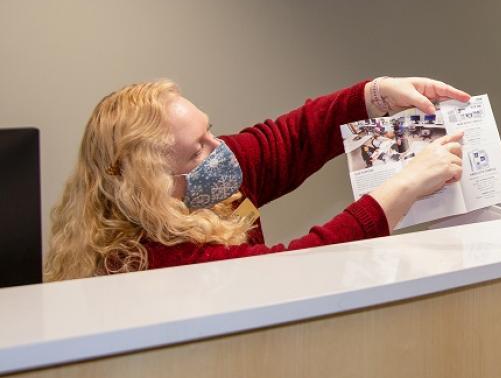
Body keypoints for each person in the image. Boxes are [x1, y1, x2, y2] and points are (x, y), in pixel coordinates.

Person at [44, 77, 468, 280]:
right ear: (150, 184)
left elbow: (290, 138)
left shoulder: (200, 181)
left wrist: (373, 95)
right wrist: (401, 188)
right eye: (197, 149)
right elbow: (293, 269)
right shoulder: (148, 260)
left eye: (209, 129)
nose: (220, 148)